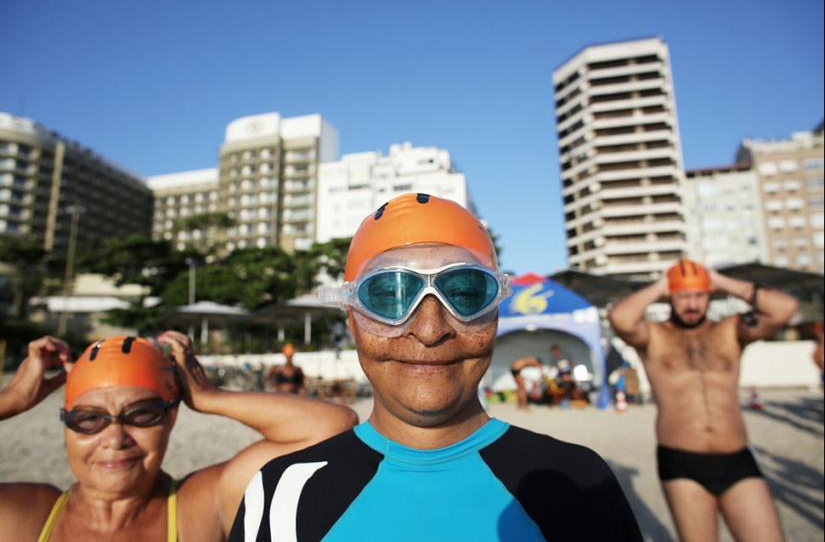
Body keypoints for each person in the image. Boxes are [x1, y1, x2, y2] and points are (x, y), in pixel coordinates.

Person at [229, 193, 642, 541]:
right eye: (389, 296)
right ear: (352, 320)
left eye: (464, 293)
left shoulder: (577, 483)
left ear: (494, 315)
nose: (429, 330)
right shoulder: (282, 493)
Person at [0, 331, 358, 542]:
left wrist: (209, 397)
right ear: (66, 424)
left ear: (171, 417)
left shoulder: (198, 507)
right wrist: (12, 399)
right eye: (89, 419)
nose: (114, 438)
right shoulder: (23, 517)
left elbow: (331, 427)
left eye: (141, 414)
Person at [608, 258, 798, 542]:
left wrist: (719, 281)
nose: (692, 304)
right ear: (669, 296)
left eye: (699, 295)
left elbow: (785, 308)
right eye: (683, 296)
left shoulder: (731, 330)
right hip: (682, 464)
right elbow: (620, 318)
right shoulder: (654, 336)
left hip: (737, 459)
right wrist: (662, 284)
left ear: (710, 294)